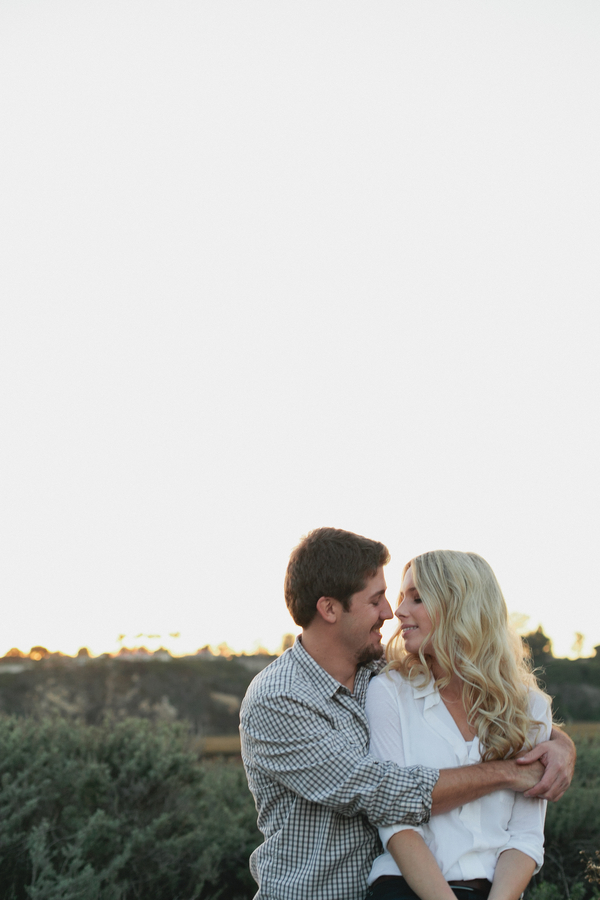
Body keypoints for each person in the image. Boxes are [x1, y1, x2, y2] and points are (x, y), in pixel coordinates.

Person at [240, 528, 575, 900]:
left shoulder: (378, 672)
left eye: (401, 598)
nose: (390, 613)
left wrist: (559, 744)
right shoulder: (280, 699)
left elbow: (499, 705)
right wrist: (509, 773)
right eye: (376, 600)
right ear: (329, 609)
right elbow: (384, 792)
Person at [365, 550, 553, 900]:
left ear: (460, 607)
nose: (399, 611)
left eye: (417, 598)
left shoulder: (530, 708)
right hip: (406, 890)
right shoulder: (389, 692)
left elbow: (525, 837)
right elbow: (396, 822)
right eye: (402, 597)